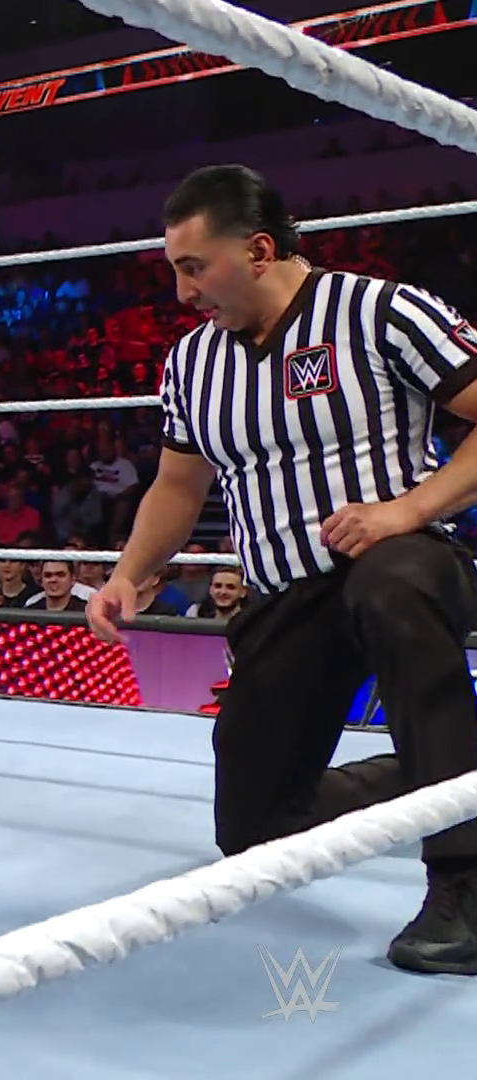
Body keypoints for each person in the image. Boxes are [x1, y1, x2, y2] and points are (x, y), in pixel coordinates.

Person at [86, 164, 477, 975]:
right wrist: (129, 573)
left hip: (398, 562)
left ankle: (465, 886)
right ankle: (446, 771)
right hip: (286, 594)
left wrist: (408, 509)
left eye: (194, 268)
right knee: (255, 830)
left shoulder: (381, 312)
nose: (183, 293)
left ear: (259, 250)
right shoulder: (192, 362)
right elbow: (179, 484)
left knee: (393, 589)